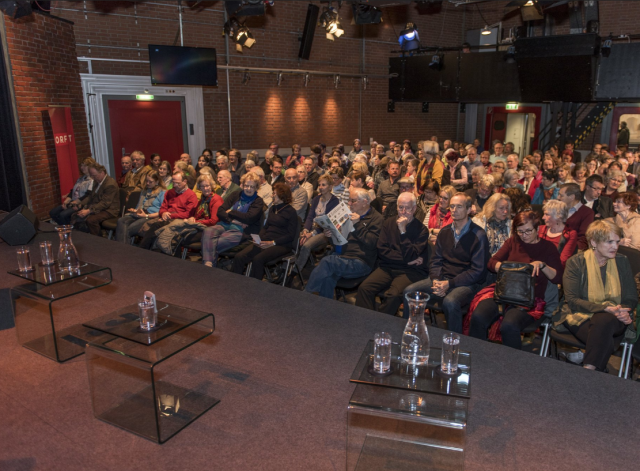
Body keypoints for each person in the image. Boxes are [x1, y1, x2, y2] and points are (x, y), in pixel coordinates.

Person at [469, 211, 563, 349]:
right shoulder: (513, 241)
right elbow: (491, 263)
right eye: (520, 231)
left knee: (509, 325)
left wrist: (542, 265)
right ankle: (477, 354)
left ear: (537, 229)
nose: (524, 235)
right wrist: (503, 266)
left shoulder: (548, 248)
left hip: (530, 298)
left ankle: (513, 365)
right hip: (505, 292)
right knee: (478, 316)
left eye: (528, 231)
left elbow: (558, 277)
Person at [555, 220, 637, 372]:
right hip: (578, 315)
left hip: (615, 317)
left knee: (602, 322)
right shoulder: (576, 263)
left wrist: (624, 310)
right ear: (593, 242)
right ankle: (593, 371)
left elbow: (631, 296)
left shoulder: (621, 261)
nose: (615, 247)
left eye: (617, 242)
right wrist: (605, 308)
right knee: (603, 333)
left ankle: (588, 370)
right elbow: (573, 301)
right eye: (609, 242)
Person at [403, 193, 490, 333]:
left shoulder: (478, 235)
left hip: (467, 283)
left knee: (450, 302)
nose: (454, 210)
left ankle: (453, 340)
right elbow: (436, 260)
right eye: (452, 206)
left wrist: (450, 284)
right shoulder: (444, 232)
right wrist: (437, 280)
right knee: (409, 292)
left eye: (459, 207)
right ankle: (410, 333)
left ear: (468, 210)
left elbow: (477, 271)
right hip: (443, 278)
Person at [355, 192, 430, 316]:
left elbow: (411, 256)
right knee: (365, 288)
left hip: (410, 271)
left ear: (415, 209)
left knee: (393, 295)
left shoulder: (422, 230)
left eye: (408, 208)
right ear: (396, 207)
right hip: (388, 267)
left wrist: (403, 232)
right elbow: (382, 251)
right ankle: (365, 320)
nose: (404, 211)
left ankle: (381, 323)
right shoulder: (388, 223)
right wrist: (407, 259)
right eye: (401, 207)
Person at [304, 188, 383, 298]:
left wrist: (357, 224)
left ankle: (305, 295)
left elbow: (372, 243)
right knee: (327, 277)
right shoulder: (348, 214)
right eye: (349, 200)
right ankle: (322, 308)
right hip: (343, 256)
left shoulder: (377, 219)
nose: (349, 203)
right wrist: (331, 235)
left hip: (361, 262)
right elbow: (339, 241)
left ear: (365, 202)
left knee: (327, 261)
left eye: (353, 201)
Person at [231, 182, 298, 280]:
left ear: (281, 195)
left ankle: (253, 288)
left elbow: (291, 235)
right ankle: (234, 282)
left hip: (281, 244)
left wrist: (273, 243)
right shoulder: (273, 208)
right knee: (240, 256)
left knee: (258, 259)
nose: (272, 195)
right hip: (265, 241)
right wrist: (259, 239)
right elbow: (266, 227)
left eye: (274, 194)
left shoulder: (291, 212)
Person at [201, 172, 263, 267]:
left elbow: (249, 218)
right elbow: (220, 211)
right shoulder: (235, 195)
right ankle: (209, 264)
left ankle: (208, 265)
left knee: (210, 243)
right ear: (242, 185)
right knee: (208, 230)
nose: (249, 189)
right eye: (246, 186)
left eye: (252, 187)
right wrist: (233, 220)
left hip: (241, 231)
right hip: (226, 224)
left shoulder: (258, 201)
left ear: (256, 188)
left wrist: (231, 212)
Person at [138, 172, 198, 249]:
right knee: (150, 225)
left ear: (185, 182)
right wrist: (163, 213)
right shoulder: (170, 192)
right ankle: (147, 250)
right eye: (173, 183)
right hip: (167, 217)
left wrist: (169, 215)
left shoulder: (191, 195)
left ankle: (143, 249)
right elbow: (163, 207)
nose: (175, 185)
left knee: (156, 226)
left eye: (178, 183)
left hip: (180, 220)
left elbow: (187, 214)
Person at [296, 174, 340, 271]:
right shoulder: (316, 199)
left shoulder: (335, 201)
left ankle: (296, 271)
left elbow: (327, 223)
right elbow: (310, 216)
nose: (320, 187)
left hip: (325, 232)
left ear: (330, 187)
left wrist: (311, 234)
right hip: (312, 229)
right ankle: (291, 265)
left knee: (306, 245)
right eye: (319, 185)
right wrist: (305, 230)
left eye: (323, 185)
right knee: (295, 239)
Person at [115, 170, 166, 244]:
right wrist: (135, 210)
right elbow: (139, 205)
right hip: (140, 213)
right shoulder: (144, 190)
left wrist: (146, 215)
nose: (147, 183)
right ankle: (123, 249)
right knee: (121, 221)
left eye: (150, 182)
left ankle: (123, 249)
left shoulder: (162, 192)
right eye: (146, 181)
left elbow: (162, 211)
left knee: (129, 229)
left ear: (157, 181)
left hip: (150, 216)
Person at [50, 157, 95, 225]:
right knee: (53, 212)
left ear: (90, 167)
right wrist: (66, 201)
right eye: (81, 165)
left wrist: (74, 203)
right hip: (72, 202)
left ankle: (68, 230)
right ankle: (63, 226)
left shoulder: (92, 180)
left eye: (84, 166)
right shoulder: (80, 179)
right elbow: (73, 191)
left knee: (63, 215)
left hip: (81, 203)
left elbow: (88, 195)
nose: (82, 167)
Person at [539, 199, 578, 266]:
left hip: (555, 270)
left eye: (546, 214)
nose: (543, 217)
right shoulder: (540, 229)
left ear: (558, 217)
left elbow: (562, 261)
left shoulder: (570, 234)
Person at [558, 183, 594, 251]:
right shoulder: (558, 209)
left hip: (572, 249)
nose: (558, 198)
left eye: (561, 195)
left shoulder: (587, 213)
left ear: (572, 197)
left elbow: (583, 238)